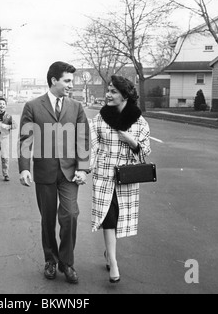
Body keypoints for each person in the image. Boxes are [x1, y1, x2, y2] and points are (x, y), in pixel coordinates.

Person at [18, 61, 90, 284]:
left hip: (70, 173)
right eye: (67, 80)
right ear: (53, 81)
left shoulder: (76, 107)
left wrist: (83, 169)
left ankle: (66, 263)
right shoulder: (32, 106)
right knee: (47, 219)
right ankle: (50, 260)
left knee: (70, 215)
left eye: (72, 81)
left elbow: (83, 139)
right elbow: (25, 140)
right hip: (45, 172)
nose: (71, 85)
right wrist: (24, 169)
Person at [89, 75, 151, 283]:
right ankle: (113, 262)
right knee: (108, 216)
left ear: (125, 96)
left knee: (117, 217)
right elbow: (92, 145)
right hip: (104, 174)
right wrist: (87, 168)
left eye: (113, 91)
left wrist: (132, 141)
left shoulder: (139, 121)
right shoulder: (100, 118)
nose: (108, 94)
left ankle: (110, 253)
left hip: (126, 176)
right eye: (108, 90)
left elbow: (145, 152)